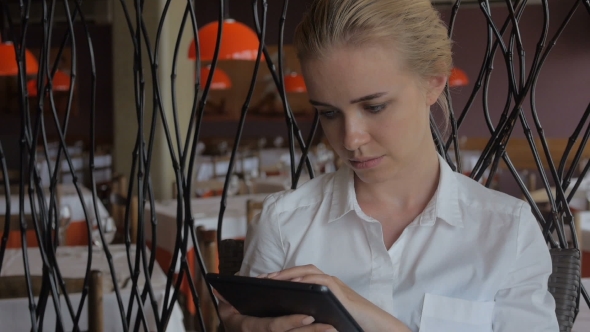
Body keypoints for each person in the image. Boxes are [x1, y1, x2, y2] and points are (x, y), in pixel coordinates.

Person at [217, 0, 559, 331]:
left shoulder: (507, 232)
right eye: (329, 113)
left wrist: (358, 310)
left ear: (433, 83)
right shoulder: (283, 222)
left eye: (374, 107)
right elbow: (243, 320)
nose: (350, 139)